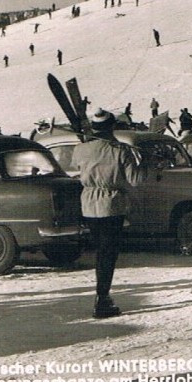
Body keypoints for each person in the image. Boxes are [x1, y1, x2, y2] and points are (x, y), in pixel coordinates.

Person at [72, 110, 149, 318]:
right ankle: (102, 298)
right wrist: (145, 162)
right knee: (108, 254)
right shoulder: (120, 150)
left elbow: (76, 167)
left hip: (88, 204)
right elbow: (135, 180)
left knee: (100, 252)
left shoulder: (80, 149)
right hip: (111, 205)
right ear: (112, 127)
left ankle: (103, 295)